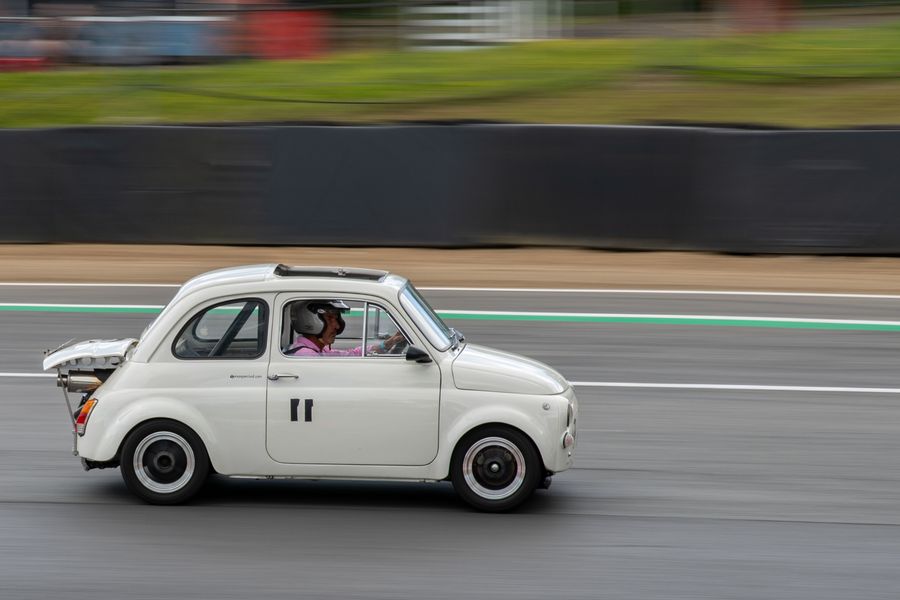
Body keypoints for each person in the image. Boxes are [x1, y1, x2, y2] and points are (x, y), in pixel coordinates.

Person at [286, 299, 405, 357]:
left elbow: (352, 354)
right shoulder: (307, 355)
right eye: (330, 319)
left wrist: (389, 343)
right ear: (310, 321)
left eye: (337, 319)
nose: (337, 326)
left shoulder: (320, 350)